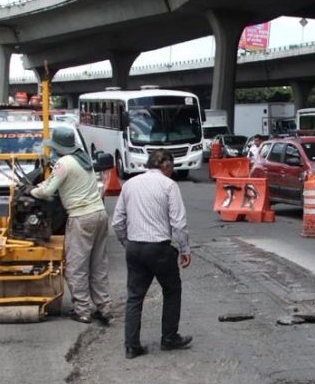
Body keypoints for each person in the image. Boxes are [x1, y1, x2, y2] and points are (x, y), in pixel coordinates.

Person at [112, 149, 193, 359]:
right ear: (166, 166)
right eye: (172, 167)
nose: (172, 171)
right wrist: (185, 249)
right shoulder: (169, 186)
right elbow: (178, 223)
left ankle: (131, 346)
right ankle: (169, 337)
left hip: (135, 247)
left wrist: (127, 243)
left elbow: (117, 221)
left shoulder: (129, 184)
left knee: (135, 296)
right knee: (172, 289)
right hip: (158, 248)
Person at [30, 126, 113, 326]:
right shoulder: (83, 158)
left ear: (58, 147)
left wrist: (31, 190)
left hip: (81, 217)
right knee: (97, 265)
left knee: (76, 267)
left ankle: (82, 310)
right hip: (99, 214)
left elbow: (48, 191)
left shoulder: (63, 163)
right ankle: (105, 306)